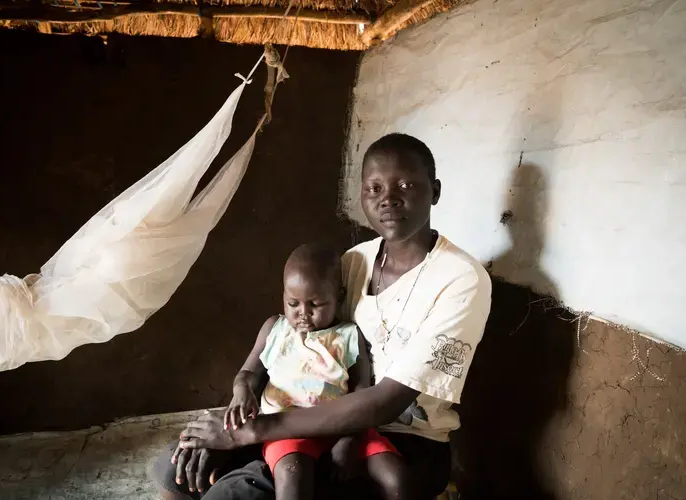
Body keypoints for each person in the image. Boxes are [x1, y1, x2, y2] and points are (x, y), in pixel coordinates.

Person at [151, 133, 492, 500]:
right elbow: (299, 354)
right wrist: (237, 422)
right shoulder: (353, 262)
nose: (388, 199)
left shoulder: (460, 280)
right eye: (374, 188)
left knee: (234, 493)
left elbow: (386, 402)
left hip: (399, 440)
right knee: (175, 467)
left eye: (406, 185)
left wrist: (249, 432)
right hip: (314, 418)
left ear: (435, 191)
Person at [224, 243, 412, 500]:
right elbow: (248, 373)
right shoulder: (275, 329)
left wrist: (349, 440)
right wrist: (241, 392)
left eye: (315, 304)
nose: (303, 313)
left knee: (396, 478)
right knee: (293, 475)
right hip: (285, 429)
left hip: (344, 425)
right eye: (293, 303)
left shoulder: (348, 335)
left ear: (340, 296)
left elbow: (362, 392)